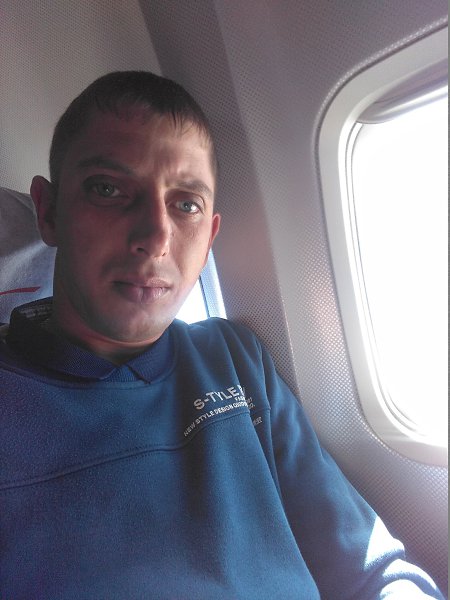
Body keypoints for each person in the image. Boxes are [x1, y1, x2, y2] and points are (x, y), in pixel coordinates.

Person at [0, 71, 444, 600]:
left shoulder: (234, 359)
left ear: (209, 235)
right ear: (49, 210)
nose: (156, 238)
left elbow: (367, 568)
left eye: (186, 204)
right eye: (109, 189)